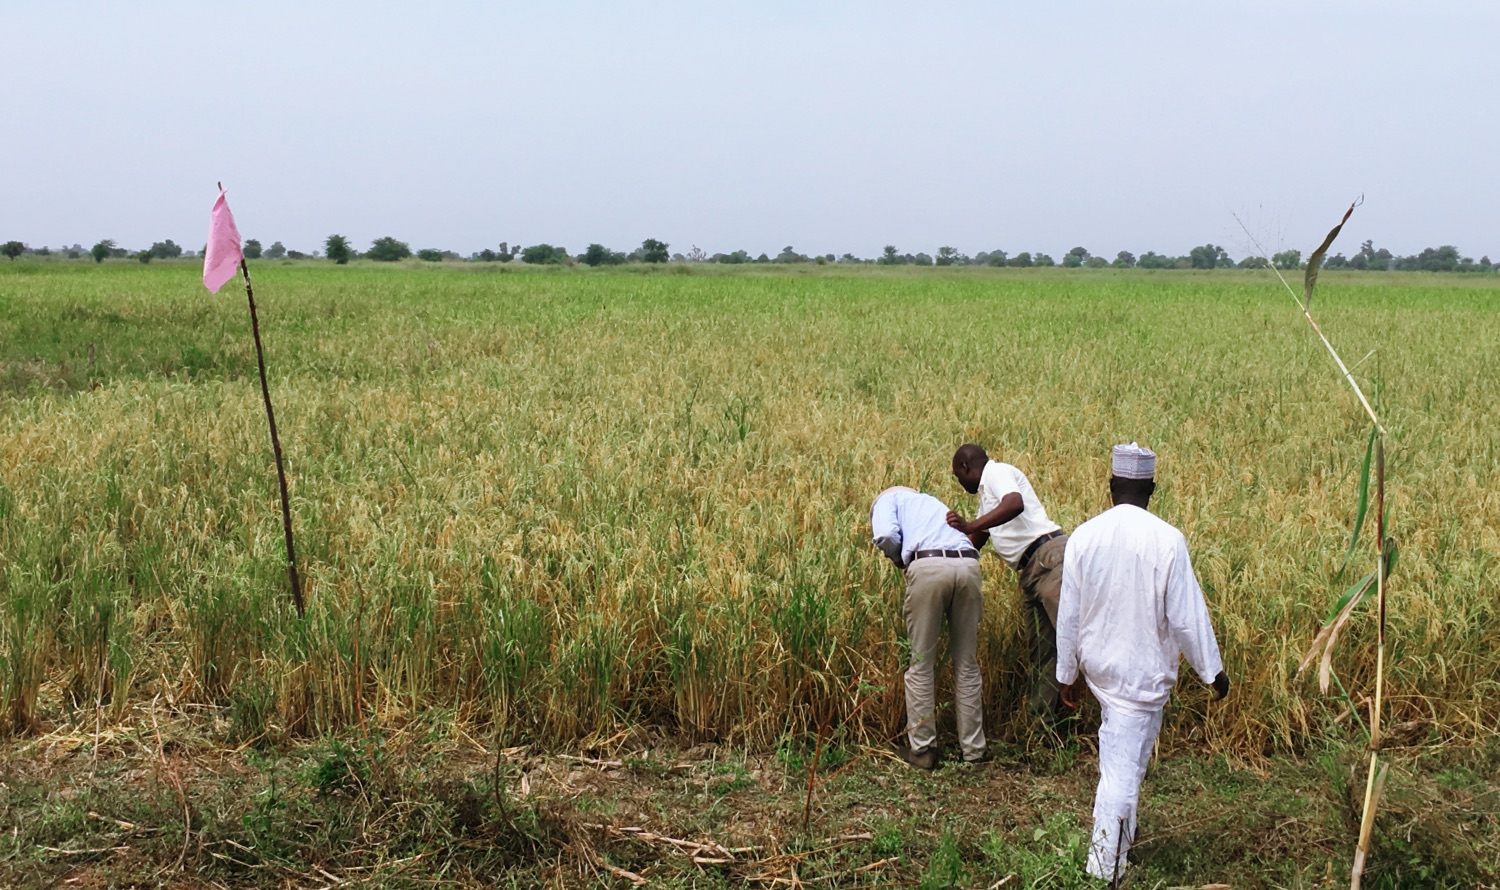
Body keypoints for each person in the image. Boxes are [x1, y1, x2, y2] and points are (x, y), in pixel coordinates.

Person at [1055, 443, 1230, 882]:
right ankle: (1103, 869)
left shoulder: (1084, 536)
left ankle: (1119, 846)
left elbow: (1069, 615)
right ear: (1152, 488)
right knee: (1122, 772)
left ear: (1111, 485)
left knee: (1123, 760)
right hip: (1140, 677)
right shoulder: (1168, 539)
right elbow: (1187, 616)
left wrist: (1066, 674)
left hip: (1100, 670)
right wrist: (1213, 671)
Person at [945, 443, 1069, 726]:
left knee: (1077, 639)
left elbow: (1014, 503)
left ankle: (1116, 713)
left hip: (1049, 558)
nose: (960, 482)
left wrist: (970, 524)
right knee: (1044, 651)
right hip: (1031, 571)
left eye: (957, 475)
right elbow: (975, 542)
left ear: (966, 467)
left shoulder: (996, 473)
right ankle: (1042, 729)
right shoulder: (986, 498)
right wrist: (944, 552)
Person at [870, 486, 989, 769]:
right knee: (967, 663)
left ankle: (923, 750)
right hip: (969, 565)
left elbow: (886, 534)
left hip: (929, 567)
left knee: (921, 663)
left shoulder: (886, 501)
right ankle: (974, 751)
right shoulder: (928, 502)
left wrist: (898, 558)